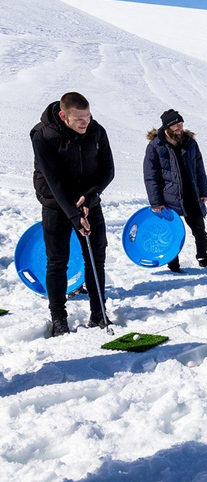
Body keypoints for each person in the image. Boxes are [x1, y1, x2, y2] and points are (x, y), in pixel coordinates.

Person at [30, 92, 115, 337]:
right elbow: (53, 180)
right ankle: (59, 318)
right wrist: (74, 215)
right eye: (79, 119)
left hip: (88, 202)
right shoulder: (43, 135)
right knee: (57, 262)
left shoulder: (96, 131)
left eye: (87, 116)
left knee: (96, 257)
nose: (85, 123)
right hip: (56, 205)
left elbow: (107, 170)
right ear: (62, 116)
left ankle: (98, 313)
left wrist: (89, 197)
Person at [144, 109, 207, 272]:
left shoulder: (190, 143)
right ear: (167, 127)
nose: (179, 127)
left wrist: (203, 191)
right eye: (175, 125)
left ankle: (203, 259)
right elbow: (151, 176)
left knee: (200, 231)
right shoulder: (156, 146)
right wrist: (156, 202)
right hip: (168, 198)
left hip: (191, 195)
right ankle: (173, 265)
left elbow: (199, 169)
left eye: (181, 123)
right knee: (172, 234)